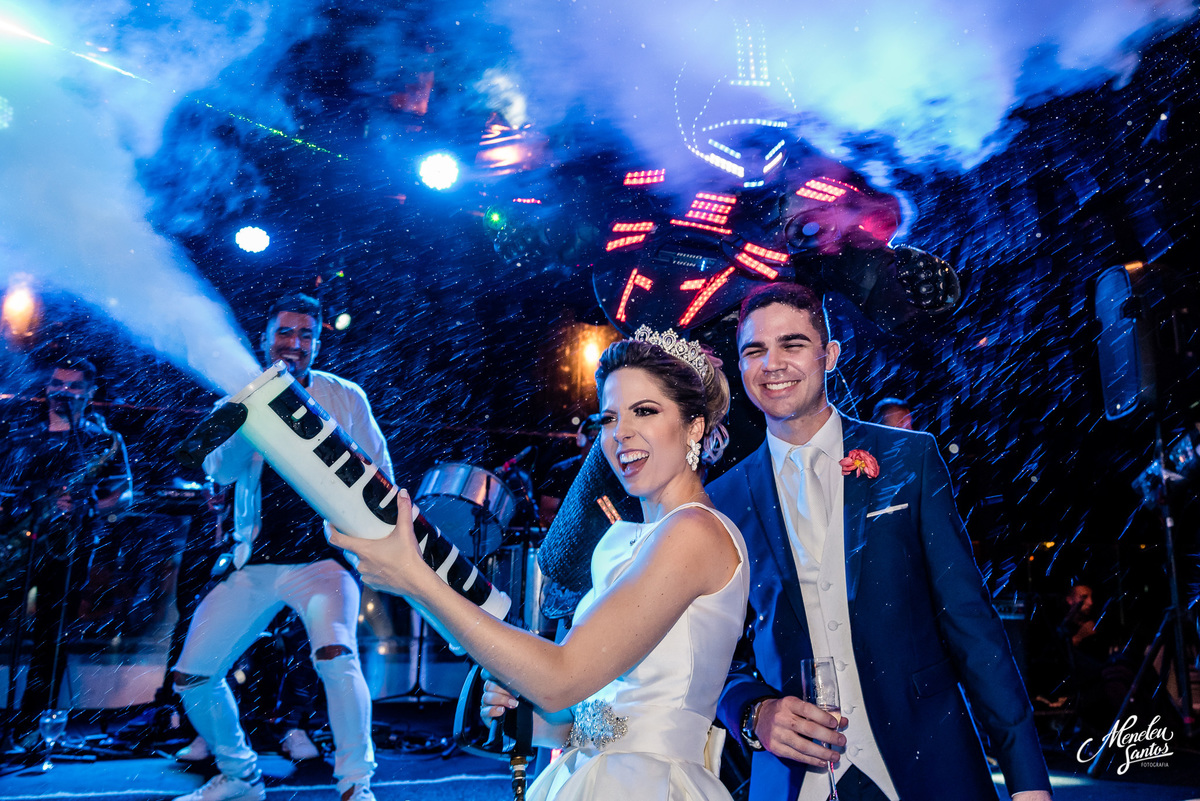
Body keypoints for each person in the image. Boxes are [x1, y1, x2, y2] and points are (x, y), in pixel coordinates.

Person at [332, 328, 748, 800]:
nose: (621, 433)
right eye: (609, 417)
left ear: (694, 427)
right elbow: (587, 715)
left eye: (645, 411)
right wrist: (524, 710)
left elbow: (560, 679)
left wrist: (415, 580)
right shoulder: (626, 542)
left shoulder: (694, 531)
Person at [707, 283, 1052, 801]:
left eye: (793, 344)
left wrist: (1027, 782)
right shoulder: (721, 499)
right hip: (794, 781)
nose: (772, 363)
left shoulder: (907, 459)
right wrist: (753, 712)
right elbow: (707, 654)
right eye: (755, 350)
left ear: (830, 355)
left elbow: (970, 624)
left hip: (928, 763)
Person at [170, 294, 391, 801]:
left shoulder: (344, 396)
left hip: (325, 562)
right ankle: (241, 777)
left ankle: (357, 785)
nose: (295, 344)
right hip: (256, 564)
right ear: (264, 338)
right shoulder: (235, 399)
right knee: (193, 676)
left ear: (316, 342)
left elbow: (382, 474)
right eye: (285, 333)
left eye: (306, 335)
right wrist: (254, 413)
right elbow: (220, 471)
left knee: (335, 654)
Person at [0, 357, 132, 740]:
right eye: (58, 383)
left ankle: (30, 726)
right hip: (15, 546)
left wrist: (88, 505)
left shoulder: (104, 441)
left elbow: (124, 495)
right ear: (47, 387)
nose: (64, 391)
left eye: (75, 386)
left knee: (50, 639)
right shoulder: (19, 436)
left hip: (69, 548)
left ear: (90, 394)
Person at [537, 413, 602, 527]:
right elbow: (545, 514)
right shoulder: (561, 471)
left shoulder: (616, 472)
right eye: (593, 438)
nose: (598, 444)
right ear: (581, 439)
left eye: (601, 439)